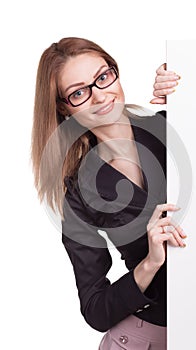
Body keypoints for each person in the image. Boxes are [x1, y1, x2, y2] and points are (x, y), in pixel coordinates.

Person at [31, 37, 186, 350]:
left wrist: (195, 90)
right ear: (64, 108)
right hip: (150, 338)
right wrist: (150, 263)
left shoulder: (177, 127)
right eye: (78, 92)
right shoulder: (77, 194)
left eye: (102, 77)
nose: (100, 96)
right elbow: (96, 309)